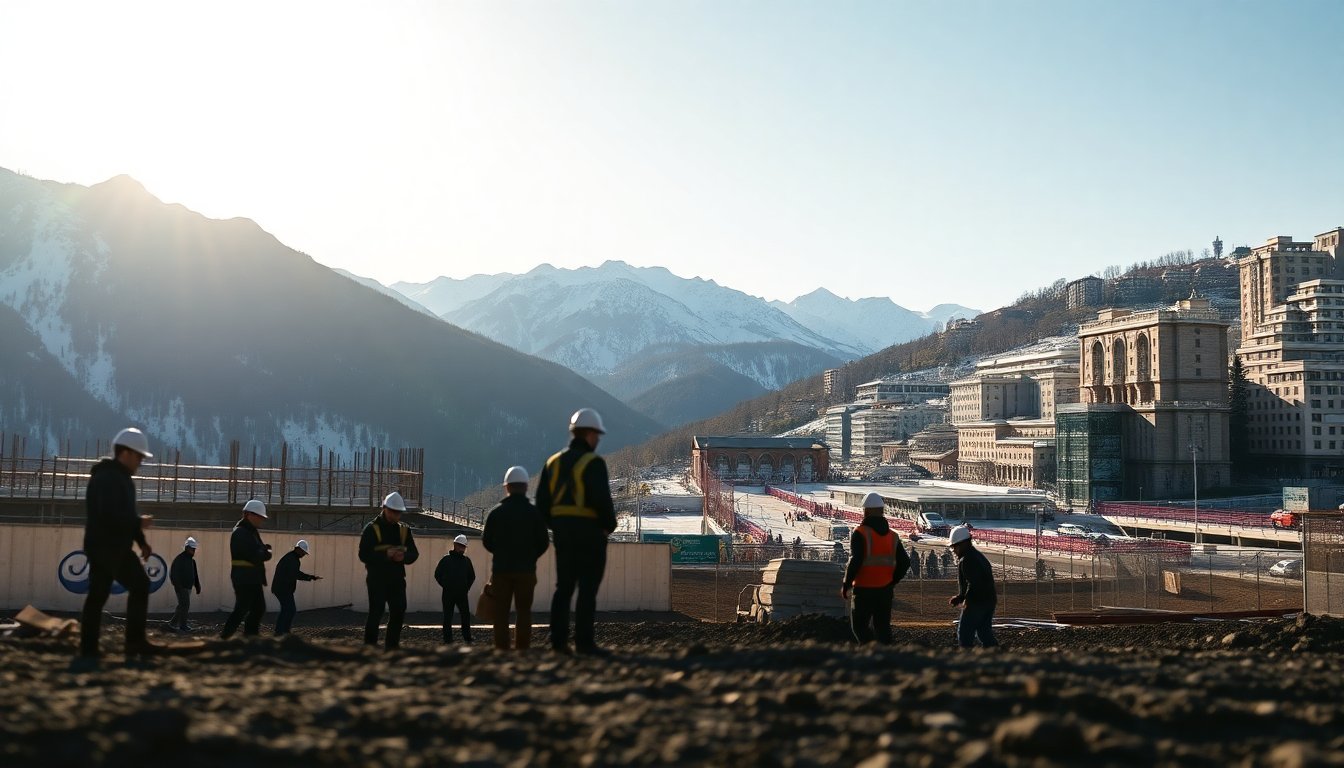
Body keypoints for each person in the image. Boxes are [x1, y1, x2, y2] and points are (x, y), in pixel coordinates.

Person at [536, 408, 617, 655]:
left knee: (564, 588)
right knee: (587, 588)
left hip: (563, 534)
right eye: (597, 435)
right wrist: (607, 527)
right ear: (590, 434)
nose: (598, 440)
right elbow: (602, 500)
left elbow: (542, 504)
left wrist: (558, 526)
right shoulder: (593, 463)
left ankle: (558, 643)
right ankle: (584, 643)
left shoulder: (552, 463)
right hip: (591, 534)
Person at [78, 428, 158, 664]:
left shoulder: (119, 478)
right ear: (125, 453)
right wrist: (138, 524)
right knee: (109, 592)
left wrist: (141, 541)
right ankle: (122, 644)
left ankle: (96, 648)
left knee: (105, 593)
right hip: (105, 547)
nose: (140, 462)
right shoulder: (107, 478)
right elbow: (110, 513)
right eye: (139, 457)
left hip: (113, 547)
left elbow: (124, 514)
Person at [483, 466, 550, 651]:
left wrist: (500, 553)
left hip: (501, 571)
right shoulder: (535, 513)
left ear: (507, 487)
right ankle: (522, 648)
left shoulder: (496, 513)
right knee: (524, 611)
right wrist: (530, 557)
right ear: (526, 487)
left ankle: (502, 648)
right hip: (526, 571)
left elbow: (487, 541)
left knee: (501, 612)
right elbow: (544, 542)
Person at [841, 492, 911, 644]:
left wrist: (846, 584)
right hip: (885, 591)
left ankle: (869, 653)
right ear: (882, 510)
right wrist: (893, 580)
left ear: (865, 511)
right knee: (883, 628)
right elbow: (905, 562)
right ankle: (886, 658)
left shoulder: (860, 533)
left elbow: (856, 560)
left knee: (859, 627)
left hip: (863, 590)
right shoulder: (893, 536)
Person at [359, 491, 420, 650]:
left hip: (397, 579)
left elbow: (414, 553)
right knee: (376, 612)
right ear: (385, 508)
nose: (396, 515)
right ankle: (370, 647)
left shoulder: (404, 531)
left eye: (399, 512)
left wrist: (403, 557)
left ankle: (392, 647)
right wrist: (385, 555)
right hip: (377, 579)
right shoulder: (372, 529)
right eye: (394, 512)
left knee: (399, 610)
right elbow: (364, 554)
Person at [221, 500, 272, 639]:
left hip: (251, 577)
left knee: (257, 608)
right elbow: (254, 554)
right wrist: (264, 553)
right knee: (243, 609)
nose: (261, 520)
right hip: (244, 578)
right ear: (249, 515)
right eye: (259, 517)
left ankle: (250, 636)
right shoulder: (241, 533)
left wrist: (263, 552)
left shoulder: (250, 532)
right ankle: (226, 637)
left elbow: (260, 551)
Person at [948, 525, 998, 648]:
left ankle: (966, 660)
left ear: (961, 544)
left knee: (964, 632)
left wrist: (966, 601)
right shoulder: (978, 556)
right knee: (984, 632)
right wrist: (961, 596)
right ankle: (996, 656)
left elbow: (974, 583)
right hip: (989, 600)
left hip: (977, 602)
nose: (954, 550)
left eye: (954, 547)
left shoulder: (967, 560)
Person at [272, 539, 321, 636]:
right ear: (298, 549)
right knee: (289, 609)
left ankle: (282, 631)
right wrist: (310, 577)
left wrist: (310, 577)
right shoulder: (292, 559)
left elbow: (294, 574)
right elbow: (295, 574)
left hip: (282, 588)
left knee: (287, 609)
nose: (303, 555)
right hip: (283, 589)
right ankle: (281, 632)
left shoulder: (291, 558)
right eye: (303, 552)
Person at [434, 534, 476, 644]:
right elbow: (437, 574)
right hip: (448, 593)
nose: (462, 548)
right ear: (454, 545)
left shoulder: (466, 561)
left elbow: (472, 576)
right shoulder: (446, 560)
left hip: (462, 593)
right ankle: (448, 639)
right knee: (448, 616)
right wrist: (445, 585)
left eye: (463, 546)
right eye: (460, 545)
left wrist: (466, 588)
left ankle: (467, 637)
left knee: (465, 615)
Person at [168, 536, 201, 632]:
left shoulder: (192, 561)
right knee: (185, 605)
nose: (193, 551)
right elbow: (173, 573)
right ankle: (183, 625)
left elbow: (195, 574)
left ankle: (173, 623)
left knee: (182, 605)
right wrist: (178, 586)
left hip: (188, 587)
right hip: (181, 587)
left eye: (194, 549)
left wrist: (197, 585)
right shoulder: (179, 559)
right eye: (192, 549)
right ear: (187, 548)